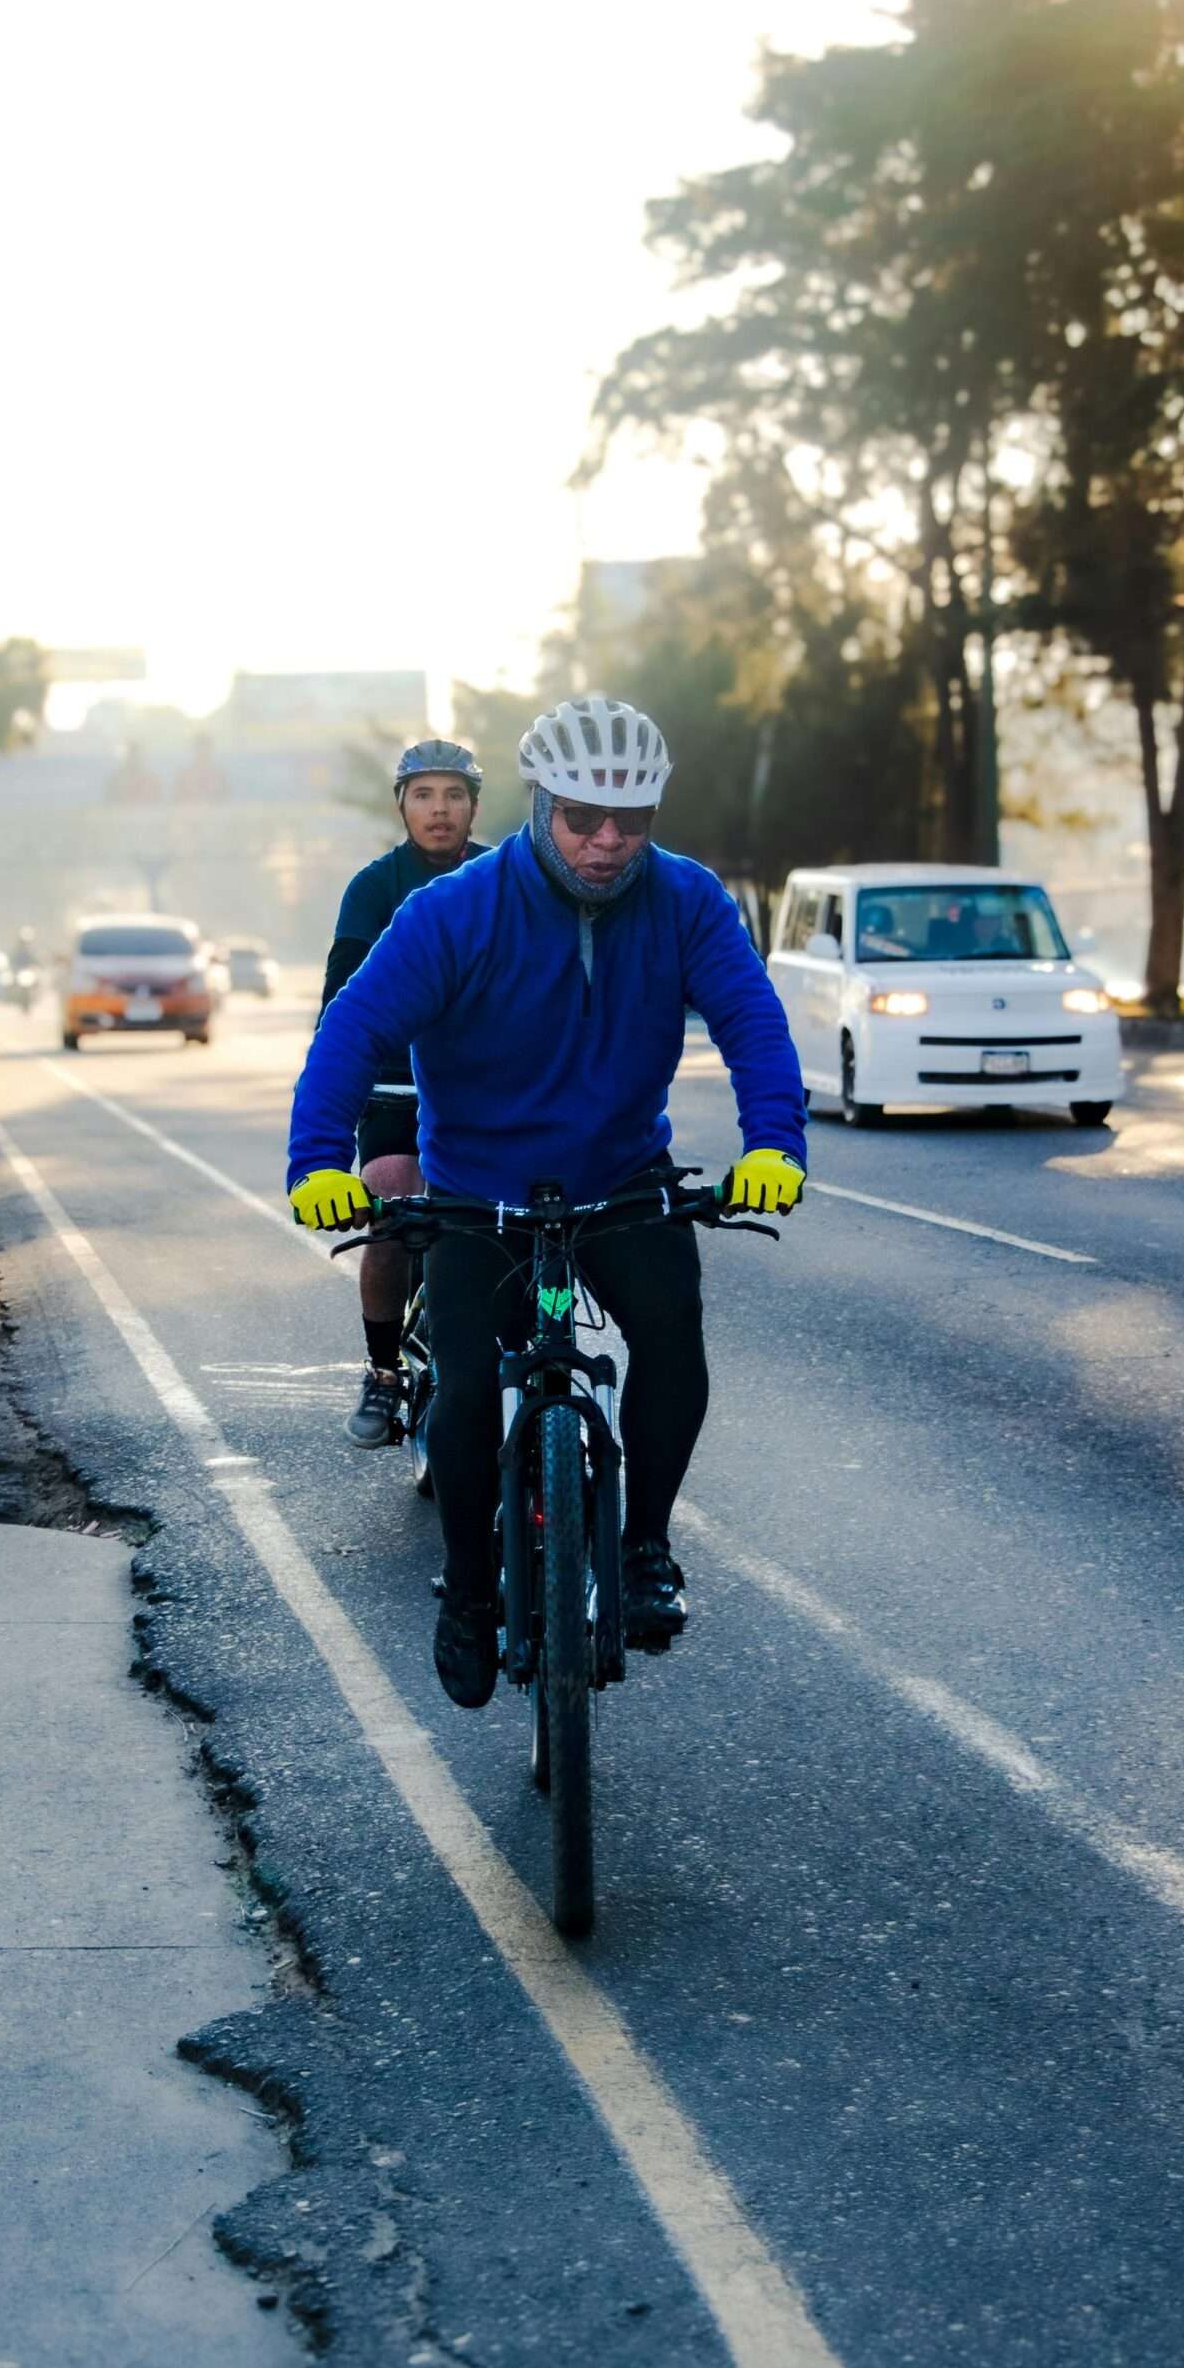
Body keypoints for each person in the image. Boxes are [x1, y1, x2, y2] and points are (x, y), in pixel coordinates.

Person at [288, 695, 806, 1710]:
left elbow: (751, 1017)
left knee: (673, 1328)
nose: (609, 842)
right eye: (583, 818)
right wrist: (318, 1163)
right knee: (471, 1392)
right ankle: (471, 1596)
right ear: (537, 804)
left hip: (621, 1178)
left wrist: (775, 1143)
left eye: (633, 822)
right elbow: (351, 1034)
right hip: (477, 1191)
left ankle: (646, 1544)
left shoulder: (689, 900)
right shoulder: (450, 911)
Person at [320, 739, 488, 1446]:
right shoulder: (374, 885)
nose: (439, 809)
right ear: (401, 806)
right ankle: (383, 1372)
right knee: (389, 1199)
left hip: (488, 1087)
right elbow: (342, 1006)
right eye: (423, 795)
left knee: (519, 1215)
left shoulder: (504, 875)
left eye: (453, 795)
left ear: (473, 806)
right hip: (394, 1086)